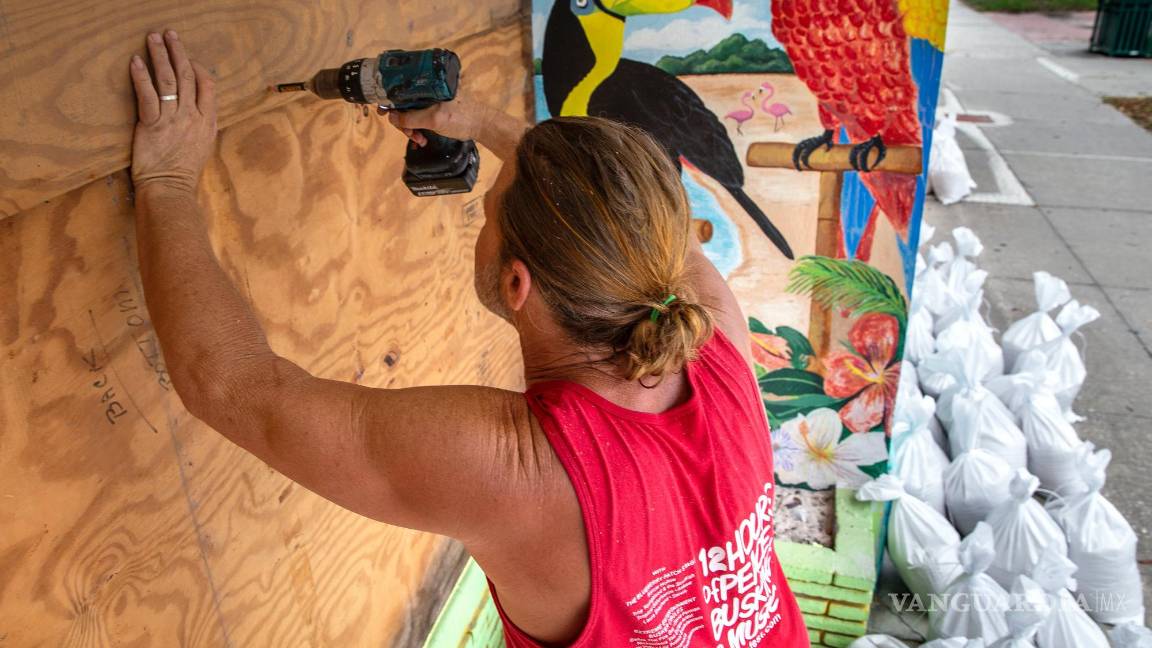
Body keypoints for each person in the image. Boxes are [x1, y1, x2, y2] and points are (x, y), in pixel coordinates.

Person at [128, 30, 809, 647]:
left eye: (489, 211)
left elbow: (235, 387)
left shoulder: (522, 473)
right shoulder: (713, 324)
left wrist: (166, 178)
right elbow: (620, 213)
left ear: (516, 285)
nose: (483, 218)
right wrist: (486, 126)